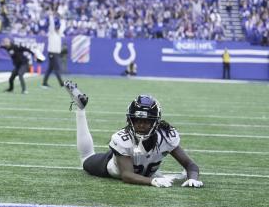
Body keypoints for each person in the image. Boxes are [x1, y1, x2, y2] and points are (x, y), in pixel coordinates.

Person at [65, 80, 203, 188]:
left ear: (156, 122)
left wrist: (192, 178)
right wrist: (152, 181)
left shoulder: (166, 136)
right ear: (130, 120)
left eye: (147, 121)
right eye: (137, 120)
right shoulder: (122, 139)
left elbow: (191, 165)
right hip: (112, 167)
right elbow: (127, 175)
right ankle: (80, 109)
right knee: (86, 159)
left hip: (143, 169)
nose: (141, 125)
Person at [42, 11, 65, 88]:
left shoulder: (59, 34)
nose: (58, 29)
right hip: (52, 53)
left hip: (56, 54)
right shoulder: (52, 33)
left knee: (50, 69)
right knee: (57, 68)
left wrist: (62, 18)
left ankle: (44, 83)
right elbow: (51, 24)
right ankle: (61, 84)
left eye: (59, 28)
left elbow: (63, 26)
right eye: (57, 27)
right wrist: (51, 16)